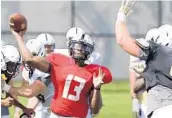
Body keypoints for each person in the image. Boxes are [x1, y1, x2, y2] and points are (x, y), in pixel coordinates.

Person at [8, 25, 112, 118]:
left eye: (83, 47)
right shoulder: (58, 60)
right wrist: (19, 37)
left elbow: (95, 109)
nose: (79, 50)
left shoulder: (94, 71)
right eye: (77, 46)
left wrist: (97, 88)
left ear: (89, 50)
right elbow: (29, 59)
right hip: (56, 114)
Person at [115, 0, 172, 118]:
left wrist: (121, 16)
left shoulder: (157, 50)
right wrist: (145, 73)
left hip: (163, 109)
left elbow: (122, 40)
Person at [1, 44, 35, 118]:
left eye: (16, 65)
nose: (14, 69)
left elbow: (7, 95)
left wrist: (23, 108)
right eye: (12, 65)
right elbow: (4, 100)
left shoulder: (4, 75)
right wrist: (2, 102)